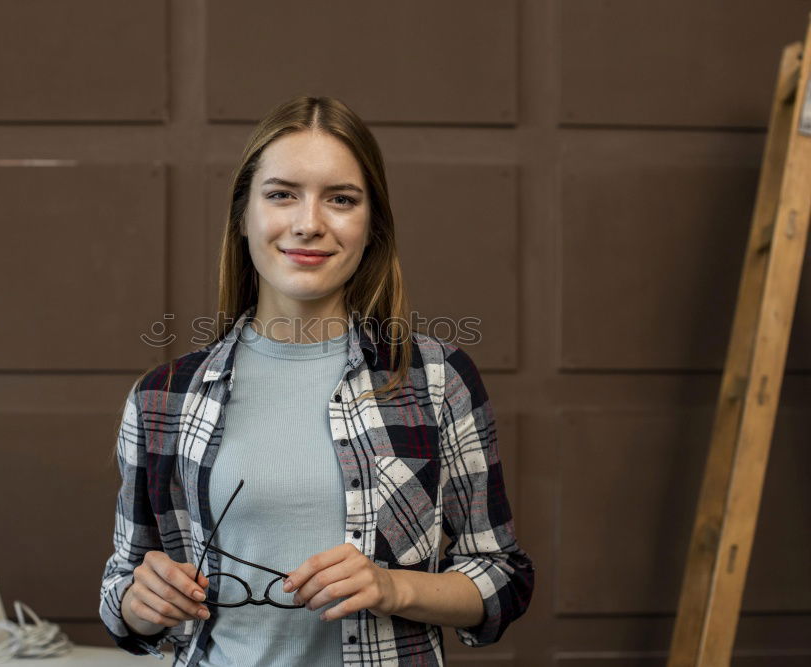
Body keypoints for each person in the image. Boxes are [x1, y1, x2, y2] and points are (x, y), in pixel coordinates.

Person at [99, 95, 534, 666]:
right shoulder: (162, 397)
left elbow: (503, 576)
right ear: (244, 215)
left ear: (371, 223)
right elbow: (121, 594)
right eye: (281, 194)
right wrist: (140, 601)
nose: (309, 223)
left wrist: (392, 587)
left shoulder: (436, 380)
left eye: (341, 200)